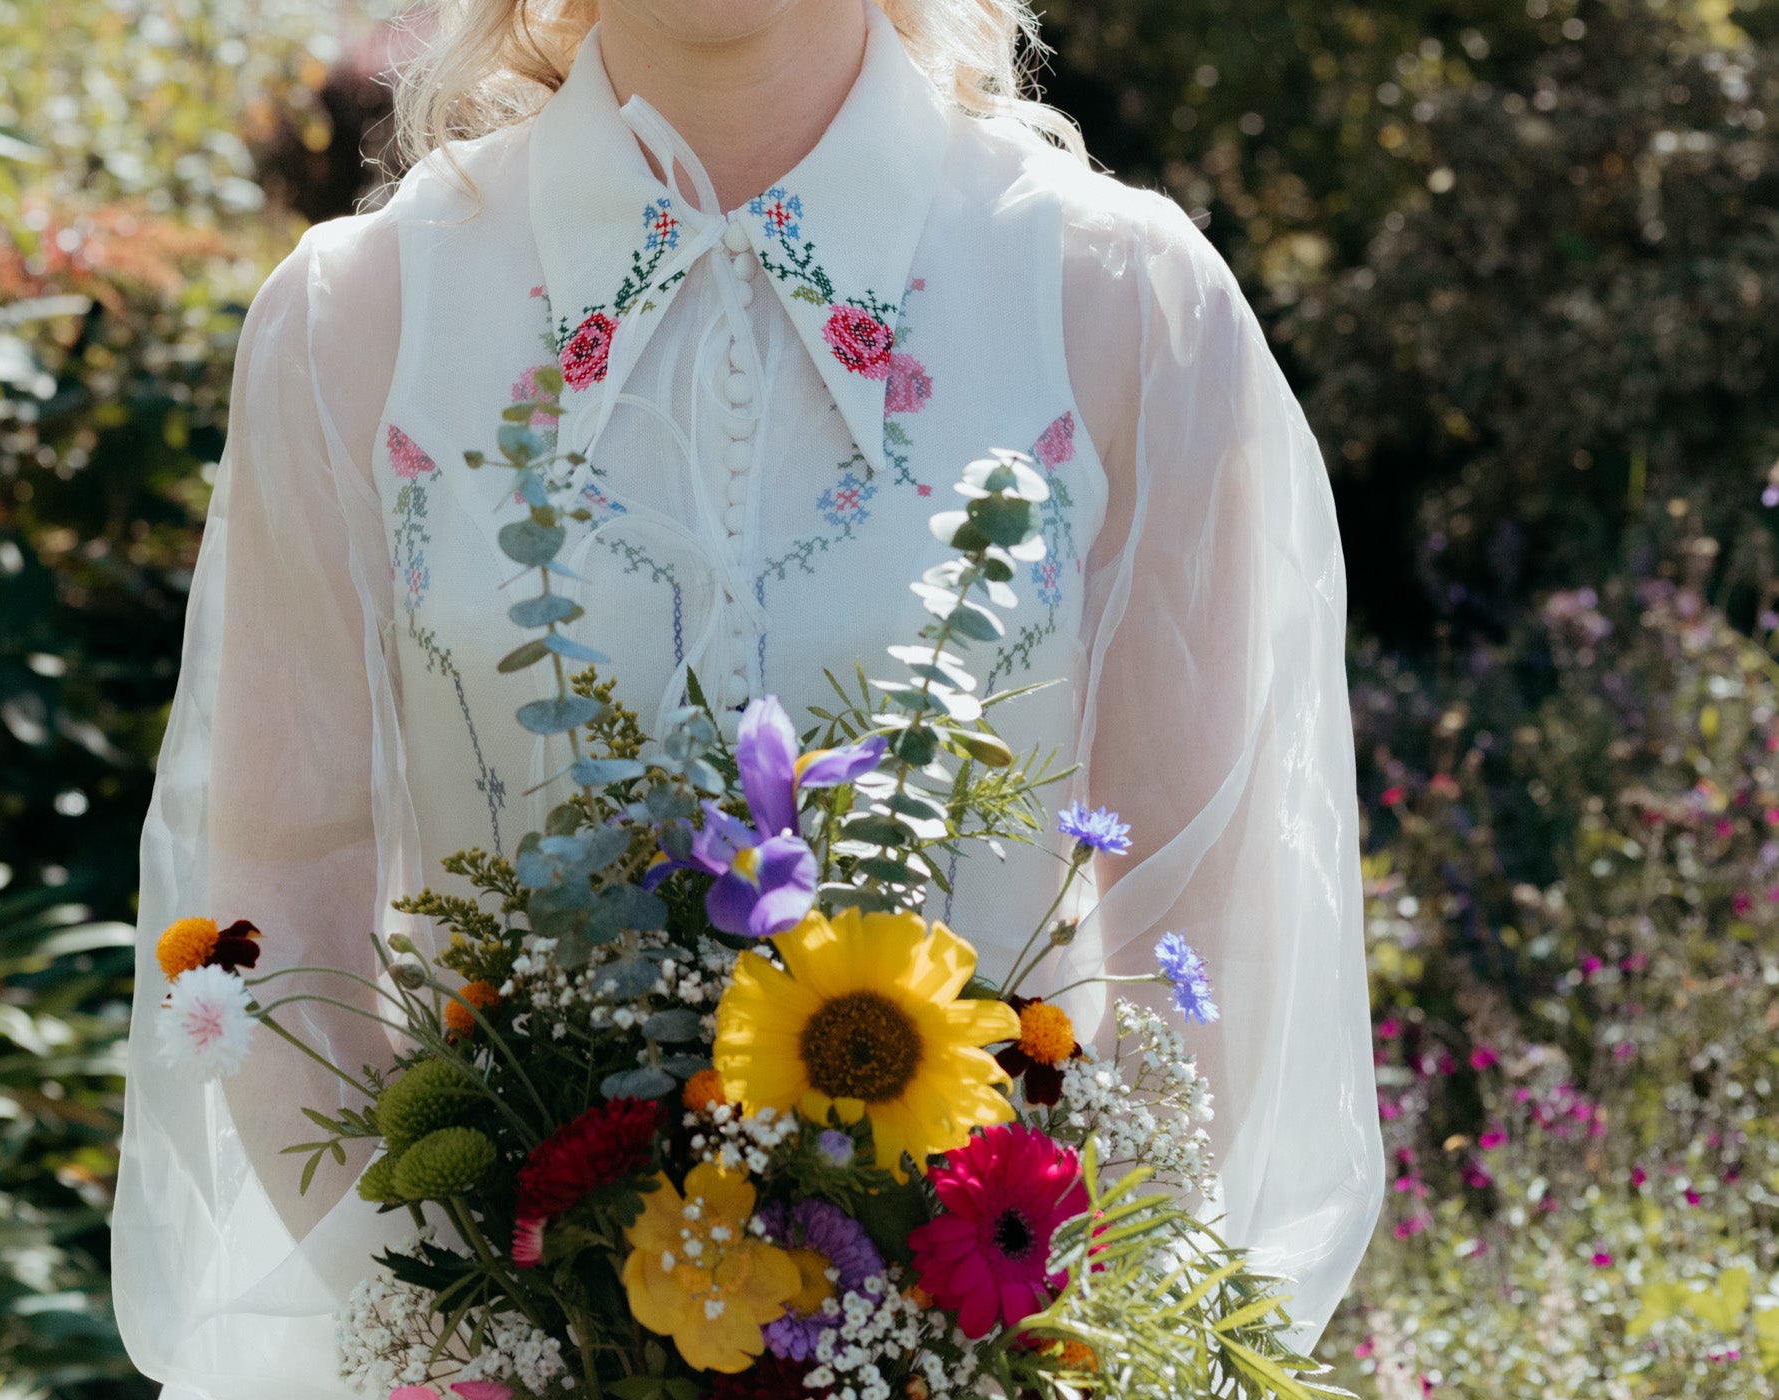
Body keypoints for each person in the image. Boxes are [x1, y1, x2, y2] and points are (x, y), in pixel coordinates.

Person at [109, 1, 1383, 1394]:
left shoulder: (1122, 302)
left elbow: (1209, 928)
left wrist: (1026, 1330)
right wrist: (481, 1334)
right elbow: (282, 889)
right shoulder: (356, 320)